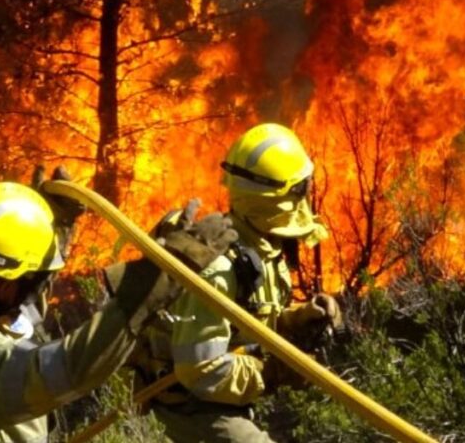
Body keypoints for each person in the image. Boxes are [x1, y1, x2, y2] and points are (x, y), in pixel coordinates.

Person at [0, 170, 213, 442]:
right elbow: (68, 369)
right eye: (39, 278)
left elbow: (24, 317)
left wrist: (52, 228)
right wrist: (149, 288)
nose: (43, 288)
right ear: (5, 283)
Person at [135, 122, 341, 443]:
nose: (306, 193)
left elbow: (246, 321)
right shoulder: (218, 268)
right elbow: (201, 371)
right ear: (278, 197)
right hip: (193, 409)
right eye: (300, 187)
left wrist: (296, 318)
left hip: (222, 398)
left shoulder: (257, 243)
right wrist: (273, 373)